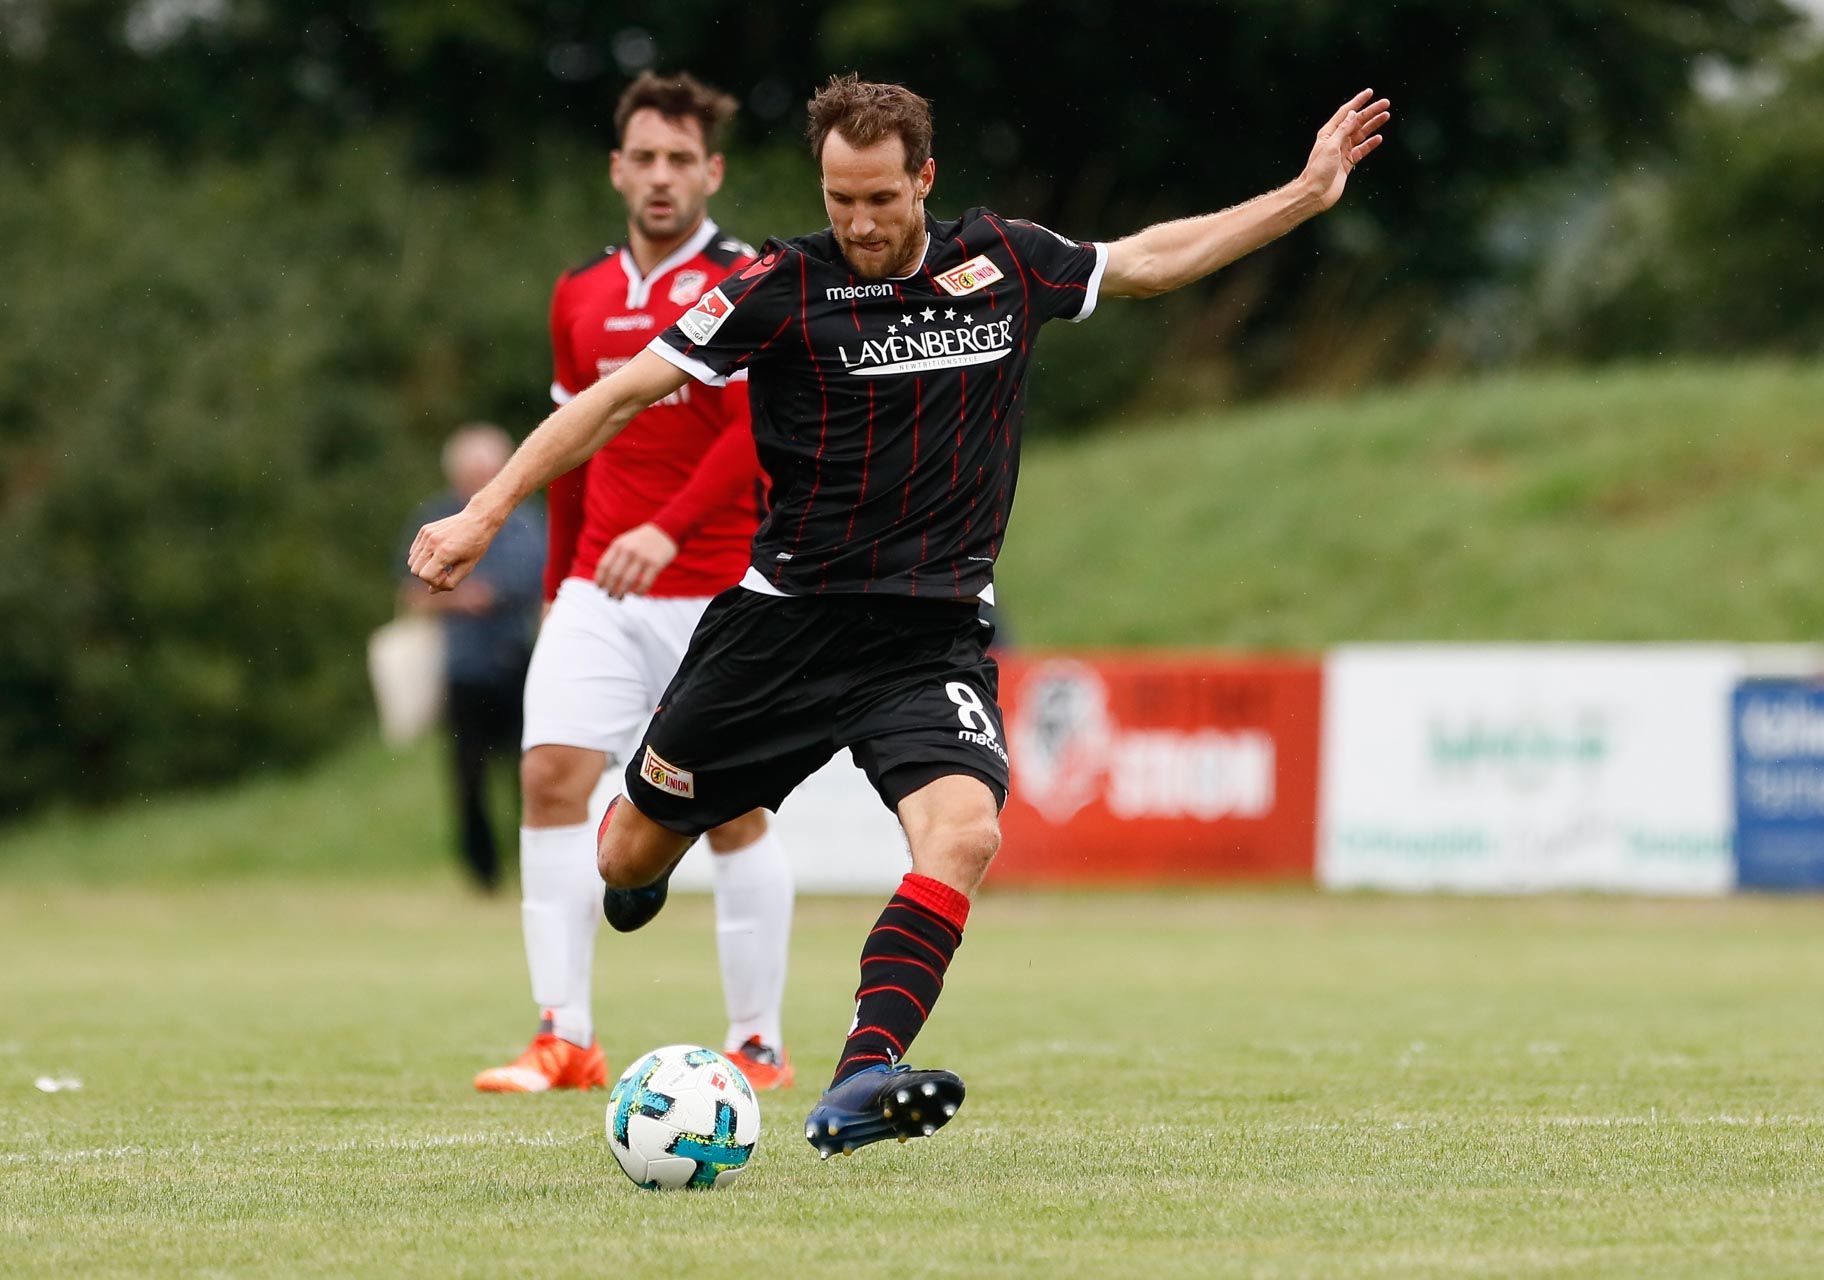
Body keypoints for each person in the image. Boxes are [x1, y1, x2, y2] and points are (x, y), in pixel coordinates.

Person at [411, 75, 1391, 1153]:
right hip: (780, 630)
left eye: (881, 198)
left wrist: (1304, 193)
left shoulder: (1003, 262)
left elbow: (1148, 258)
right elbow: (615, 395)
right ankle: (646, 858)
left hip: (928, 638)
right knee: (628, 857)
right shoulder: (777, 283)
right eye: (841, 200)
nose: (862, 224)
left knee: (964, 833)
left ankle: (859, 1075)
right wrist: (483, 509)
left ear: (925, 178)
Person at [471, 72, 798, 1097]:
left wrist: (670, 525)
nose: (661, 178)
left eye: (680, 160)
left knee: (732, 811)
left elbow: (756, 433)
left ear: (714, 171)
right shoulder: (580, 293)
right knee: (549, 779)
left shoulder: (754, 278)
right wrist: (559, 581)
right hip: (598, 589)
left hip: (719, 590)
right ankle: (563, 1035)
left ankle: (757, 1042)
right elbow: (575, 444)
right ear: (617, 169)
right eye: (643, 158)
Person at [398, 423, 544, 892]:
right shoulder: (433, 517)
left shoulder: (527, 519)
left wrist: (498, 595)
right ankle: (482, 870)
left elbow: (542, 582)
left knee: (532, 771)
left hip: (520, 661)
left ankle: (533, 861)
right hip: (464, 667)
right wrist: (460, 601)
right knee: (468, 775)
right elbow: (411, 596)